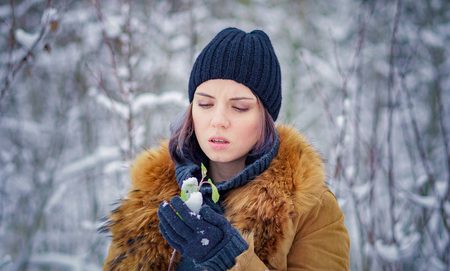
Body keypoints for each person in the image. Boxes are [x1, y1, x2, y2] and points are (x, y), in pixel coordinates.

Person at [102, 27, 350, 270]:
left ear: (266, 118)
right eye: (205, 104)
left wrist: (228, 257)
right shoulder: (148, 198)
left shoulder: (311, 208)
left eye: (239, 107)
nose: (218, 120)